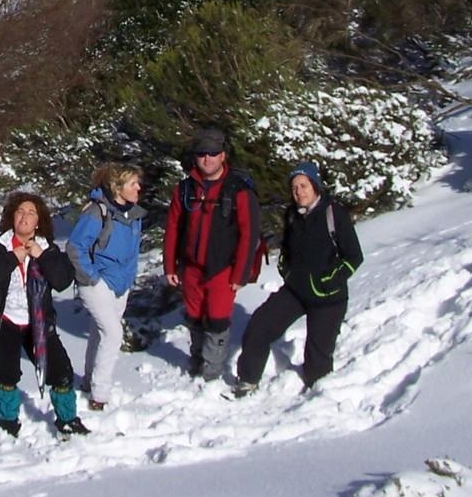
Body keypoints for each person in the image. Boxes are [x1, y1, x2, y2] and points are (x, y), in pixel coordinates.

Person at [231, 161, 363, 397]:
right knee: (258, 327)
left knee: (317, 359)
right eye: (294, 188)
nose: (299, 192)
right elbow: (286, 251)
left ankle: (317, 396)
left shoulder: (333, 213)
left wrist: (328, 281)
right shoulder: (292, 215)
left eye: (303, 186)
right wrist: (287, 271)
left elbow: (354, 257)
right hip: (295, 292)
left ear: (315, 186)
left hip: (328, 299)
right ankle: (248, 380)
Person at [0, 191, 90, 438]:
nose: (24, 216)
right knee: (7, 375)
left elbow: (62, 281)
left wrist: (42, 256)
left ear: (38, 222)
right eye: (20, 211)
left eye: (31, 212)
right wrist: (12, 258)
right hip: (3, 320)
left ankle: (67, 419)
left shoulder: (48, 249)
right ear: (12, 218)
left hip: (38, 322)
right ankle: (8, 421)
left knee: (61, 372)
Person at [163, 128, 259, 381]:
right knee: (194, 317)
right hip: (191, 267)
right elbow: (173, 228)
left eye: (213, 153)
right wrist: (170, 266)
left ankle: (212, 371)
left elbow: (249, 235)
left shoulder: (238, 190)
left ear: (223, 155)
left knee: (217, 320)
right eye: (202, 153)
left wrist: (241, 273)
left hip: (223, 268)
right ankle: (196, 360)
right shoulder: (185, 189)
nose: (207, 159)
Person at [65, 162, 145, 412]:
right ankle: (100, 394)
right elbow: (75, 247)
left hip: (121, 285)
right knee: (113, 334)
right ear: (117, 188)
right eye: (133, 183)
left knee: (100, 333)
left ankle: (89, 380)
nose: (139, 188)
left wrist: (128, 278)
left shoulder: (134, 215)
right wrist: (92, 277)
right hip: (97, 282)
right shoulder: (97, 212)